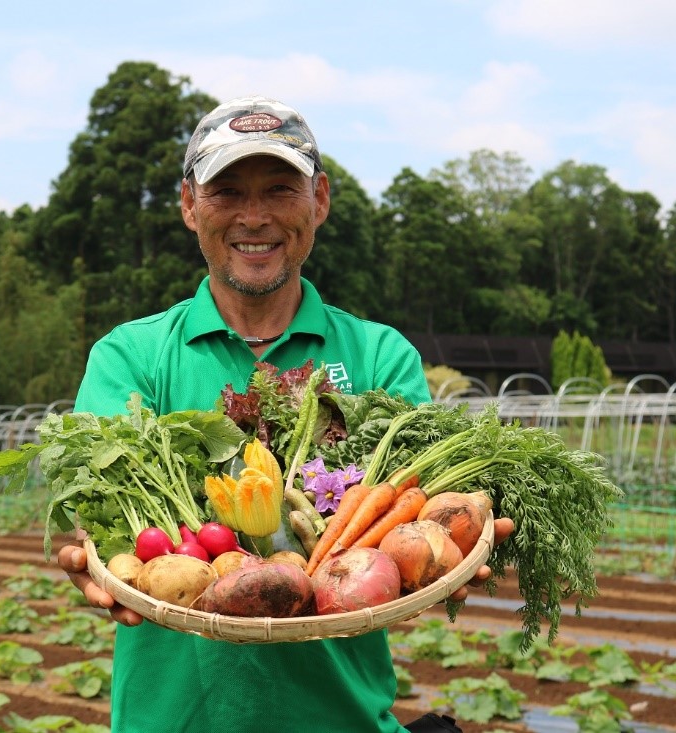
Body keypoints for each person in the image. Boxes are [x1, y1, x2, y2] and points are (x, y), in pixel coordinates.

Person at [57, 95, 515, 733]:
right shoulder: (131, 357)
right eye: (226, 191)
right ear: (190, 205)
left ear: (319, 200)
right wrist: (84, 552)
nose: (254, 216)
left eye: (280, 189)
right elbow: (86, 516)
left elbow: (420, 513)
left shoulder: (379, 355)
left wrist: (439, 555)